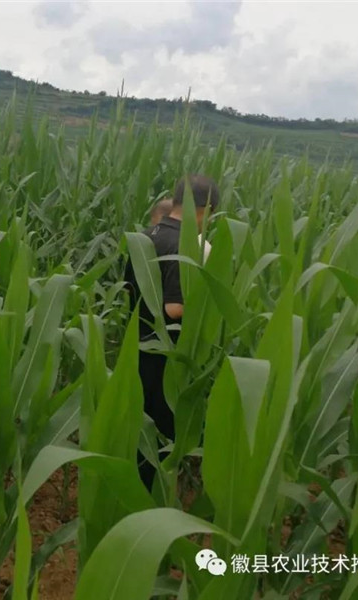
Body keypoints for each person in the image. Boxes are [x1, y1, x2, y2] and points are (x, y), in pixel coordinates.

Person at [124, 174, 219, 489]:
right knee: (160, 431)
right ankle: (151, 493)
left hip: (137, 341)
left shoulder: (147, 234)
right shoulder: (185, 245)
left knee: (138, 423)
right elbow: (174, 309)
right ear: (204, 209)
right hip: (165, 353)